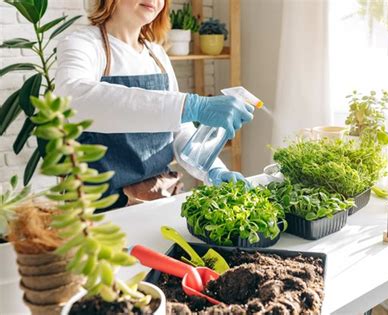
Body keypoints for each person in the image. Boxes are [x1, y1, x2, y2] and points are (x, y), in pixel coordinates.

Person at [55, 0, 253, 209]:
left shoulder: (156, 54)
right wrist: (192, 105)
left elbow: (178, 131)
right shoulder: (83, 43)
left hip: (160, 194)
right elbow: (73, 98)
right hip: (99, 203)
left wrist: (213, 169)